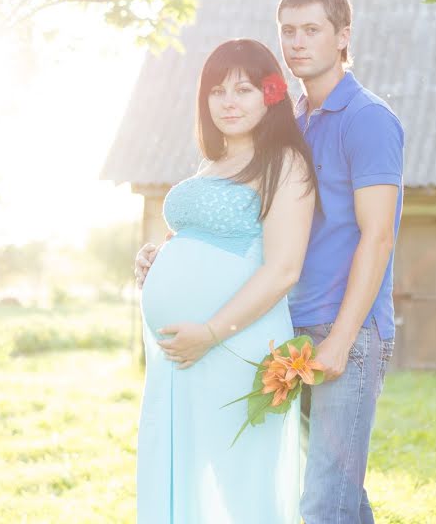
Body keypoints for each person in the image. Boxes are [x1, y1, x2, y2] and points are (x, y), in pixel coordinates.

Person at [137, 0, 404, 524]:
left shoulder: (368, 119)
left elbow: (378, 236)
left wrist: (342, 339)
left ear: (343, 36)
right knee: (339, 493)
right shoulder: (291, 122)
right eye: (288, 31)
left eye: (312, 30)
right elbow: (247, 216)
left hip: (340, 329)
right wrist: (169, 254)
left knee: (326, 498)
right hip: (286, 330)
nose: (297, 42)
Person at [136, 38, 318, 524]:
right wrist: (159, 260)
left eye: (243, 89)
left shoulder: (285, 163)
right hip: (181, 352)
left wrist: (211, 331)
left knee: (237, 478)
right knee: (187, 467)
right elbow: (205, 241)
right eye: (217, 90)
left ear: (270, 95)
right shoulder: (211, 166)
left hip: (234, 343)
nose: (229, 101)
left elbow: (283, 268)